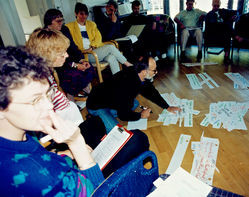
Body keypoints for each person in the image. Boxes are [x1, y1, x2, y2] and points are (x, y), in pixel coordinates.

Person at [25, 28, 149, 177]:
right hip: (66, 152)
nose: (66, 55)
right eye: (61, 53)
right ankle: (102, 166)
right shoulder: (34, 85)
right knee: (137, 139)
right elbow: (41, 152)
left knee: (97, 124)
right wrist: (69, 151)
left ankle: (101, 154)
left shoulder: (42, 74)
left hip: (63, 138)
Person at [0, 46, 104, 196]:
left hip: (55, 163)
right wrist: (77, 145)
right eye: (35, 100)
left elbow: (37, 151)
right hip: (78, 181)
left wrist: (61, 153)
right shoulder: (46, 179)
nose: (49, 105)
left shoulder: (18, 132)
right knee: (136, 141)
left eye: (47, 93)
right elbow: (99, 193)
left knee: (94, 124)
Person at [87, 55, 181, 132]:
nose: (156, 72)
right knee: (117, 132)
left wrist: (167, 107)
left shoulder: (137, 72)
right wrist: (141, 115)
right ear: (144, 72)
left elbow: (151, 92)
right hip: (96, 106)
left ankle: (108, 116)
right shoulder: (127, 86)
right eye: (154, 70)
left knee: (134, 103)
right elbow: (123, 115)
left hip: (111, 100)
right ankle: (98, 117)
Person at [66, 2, 132, 74]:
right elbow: (70, 44)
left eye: (86, 14)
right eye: (81, 14)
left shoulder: (91, 24)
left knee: (111, 58)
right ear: (76, 13)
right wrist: (82, 51)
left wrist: (92, 47)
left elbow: (98, 38)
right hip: (84, 55)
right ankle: (129, 65)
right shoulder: (69, 27)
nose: (84, 16)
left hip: (95, 51)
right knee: (110, 47)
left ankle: (118, 80)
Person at [44, 8, 95, 100]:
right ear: (49, 21)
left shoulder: (64, 29)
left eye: (62, 20)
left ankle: (83, 93)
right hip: (57, 65)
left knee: (89, 67)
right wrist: (75, 65)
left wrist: (81, 60)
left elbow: (73, 47)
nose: (61, 23)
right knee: (75, 75)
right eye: (58, 21)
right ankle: (74, 95)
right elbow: (53, 59)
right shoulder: (45, 35)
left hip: (70, 60)